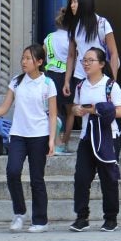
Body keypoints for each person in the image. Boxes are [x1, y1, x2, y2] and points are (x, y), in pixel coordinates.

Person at [0, 44, 57, 233]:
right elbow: (4, 108)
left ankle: (40, 221)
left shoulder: (48, 84)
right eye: (23, 58)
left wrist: (52, 140)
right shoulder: (16, 82)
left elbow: (52, 115)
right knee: (12, 172)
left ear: (40, 62)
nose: (24, 61)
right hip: (18, 134)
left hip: (39, 136)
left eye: (28, 58)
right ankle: (19, 213)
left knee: (37, 178)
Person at [69, 47, 121, 233]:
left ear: (101, 64)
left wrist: (94, 110)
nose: (86, 63)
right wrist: (76, 110)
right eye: (84, 60)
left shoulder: (111, 85)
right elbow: (76, 107)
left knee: (108, 179)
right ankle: (81, 217)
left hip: (108, 137)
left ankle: (111, 218)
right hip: (86, 137)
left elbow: (119, 111)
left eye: (90, 60)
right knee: (81, 178)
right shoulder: (80, 86)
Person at [62, 0, 120, 104]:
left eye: (75, 2)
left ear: (84, 4)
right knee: (80, 108)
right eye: (71, 2)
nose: (72, 6)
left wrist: (113, 81)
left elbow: (113, 53)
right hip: (80, 74)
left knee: (101, 108)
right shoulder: (74, 25)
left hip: (101, 75)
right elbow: (71, 55)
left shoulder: (102, 24)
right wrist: (67, 80)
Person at [43, 8, 73, 155]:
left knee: (51, 111)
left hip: (50, 76)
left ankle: (54, 141)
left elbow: (42, 55)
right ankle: (64, 143)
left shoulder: (48, 38)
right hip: (65, 77)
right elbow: (74, 57)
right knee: (70, 112)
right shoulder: (71, 39)